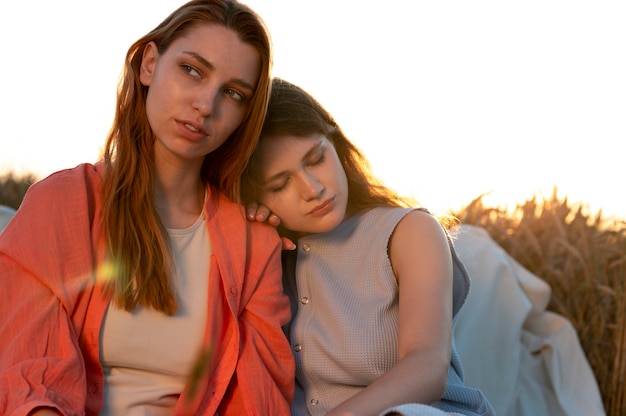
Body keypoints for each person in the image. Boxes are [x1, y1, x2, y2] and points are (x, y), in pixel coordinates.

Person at [0, 2, 295, 415]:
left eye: (233, 93)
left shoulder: (253, 244)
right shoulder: (61, 204)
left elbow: (258, 398)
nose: (206, 105)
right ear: (150, 64)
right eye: (192, 69)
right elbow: (29, 375)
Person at [242, 78, 496, 416]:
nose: (312, 188)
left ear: (336, 143)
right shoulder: (272, 256)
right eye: (281, 184)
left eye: (316, 159)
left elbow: (427, 368)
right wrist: (243, 236)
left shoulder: (410, 232)